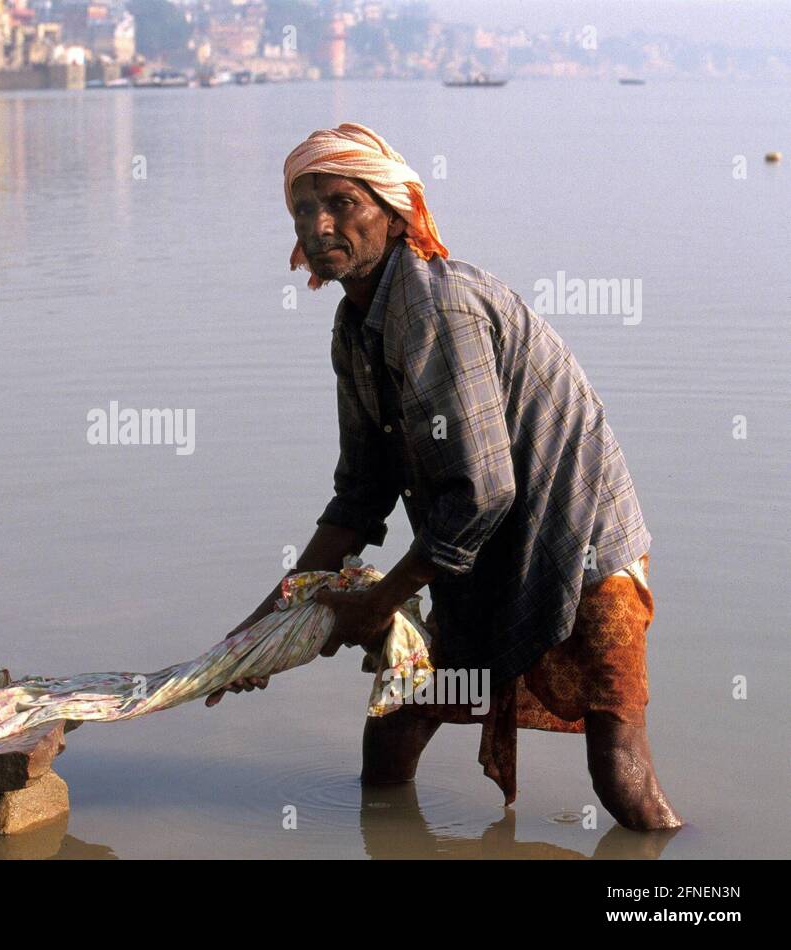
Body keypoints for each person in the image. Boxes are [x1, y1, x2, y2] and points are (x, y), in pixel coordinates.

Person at [205, 122, 681, 832]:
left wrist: (380, 602)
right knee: (397, 726)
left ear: (396, 216)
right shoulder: (355, 329)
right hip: (476, 550)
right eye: (305, 210)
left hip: (579, 545)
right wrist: (255, 633)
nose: (322, 224)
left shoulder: (436, 307)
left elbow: (484, 492)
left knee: (617, 771)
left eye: (343, 203)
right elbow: (360, 497)